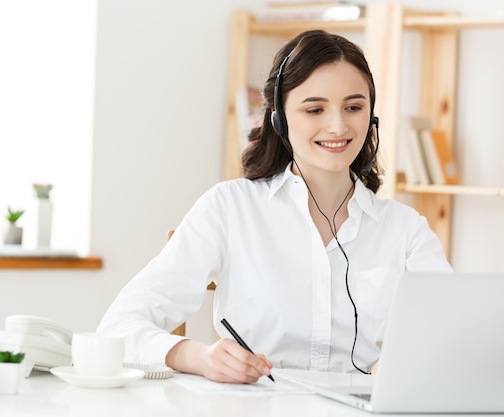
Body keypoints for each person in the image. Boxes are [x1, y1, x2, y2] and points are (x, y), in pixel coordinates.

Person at [97, 30, 452, 384]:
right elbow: (117, 329)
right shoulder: (230, 208)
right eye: (315, 109)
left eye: (354, 107)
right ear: (278, 117)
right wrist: (200, 357)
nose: (338, 126)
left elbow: (457, 340)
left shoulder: (405, 229)